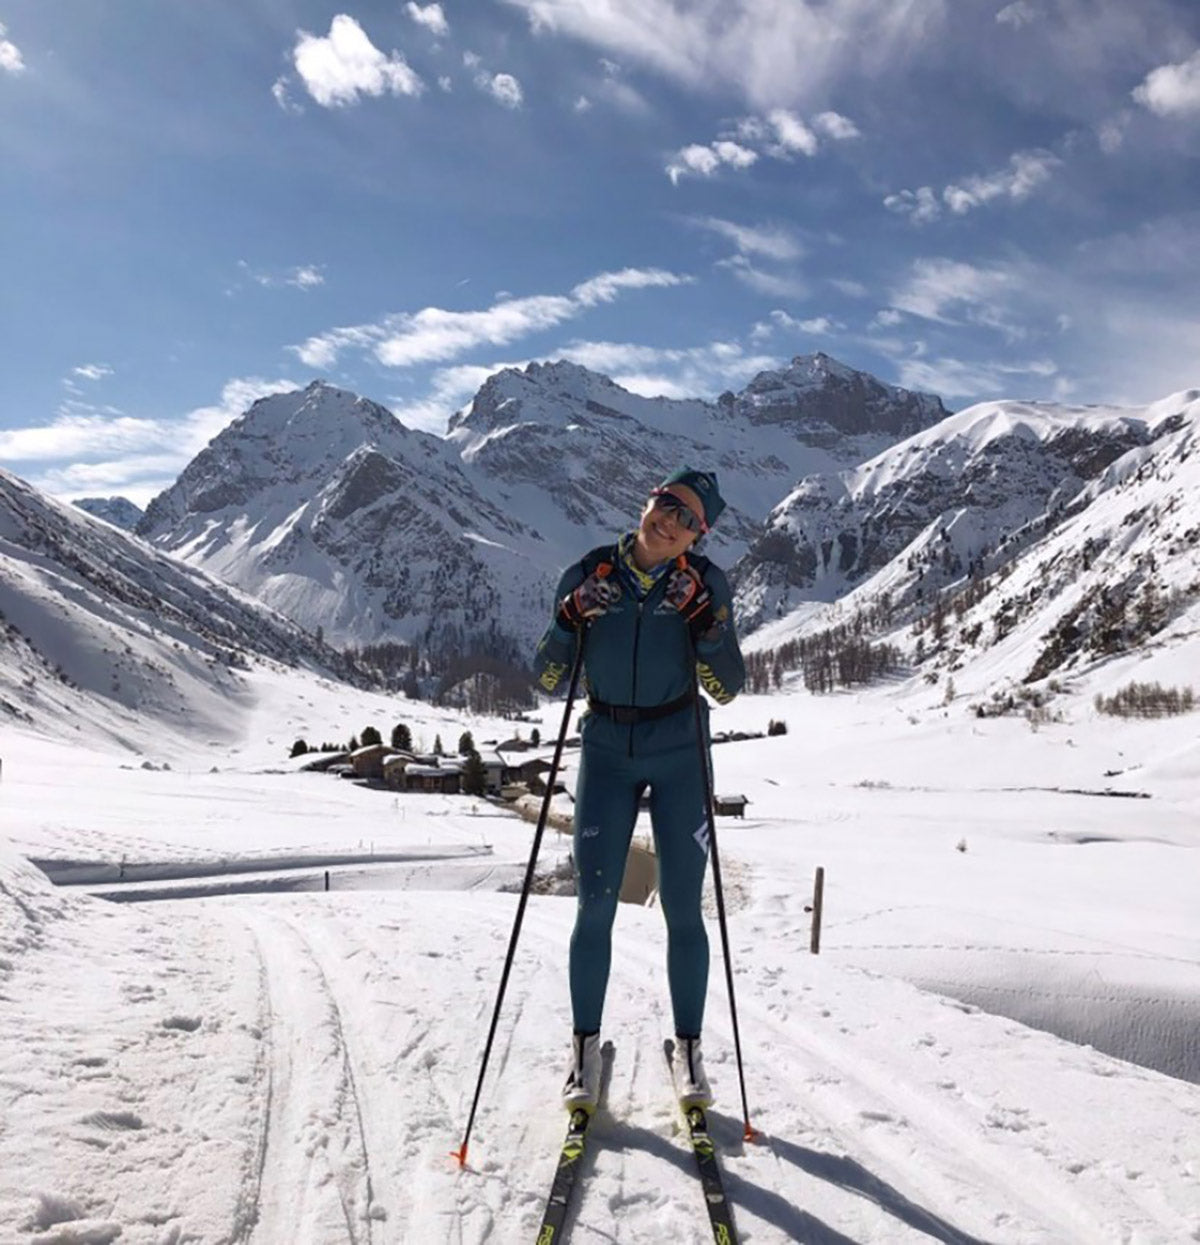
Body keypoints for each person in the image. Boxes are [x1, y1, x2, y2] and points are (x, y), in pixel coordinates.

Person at [533, 467, 746, 1111]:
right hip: (606, 749)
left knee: (682, 908)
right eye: (667, 506)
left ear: (698, 536)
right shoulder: (589, 574)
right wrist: (569, 620)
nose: (670, 523)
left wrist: (704, 622)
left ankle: (688, 1050)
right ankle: (583, 1049)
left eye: (688, 520)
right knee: (593, 906)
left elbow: (728, 687)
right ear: (648, 501)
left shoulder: (705, 583)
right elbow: (547, 679)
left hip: (681, 751)